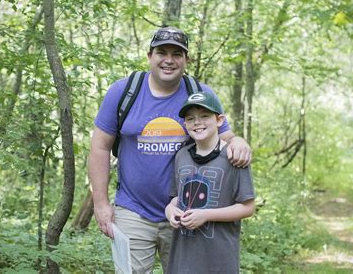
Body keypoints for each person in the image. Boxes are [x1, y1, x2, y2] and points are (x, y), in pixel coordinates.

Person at [88, 26, 252, 273]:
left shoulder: (200, 94)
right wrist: (100, 203)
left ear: (187, 60)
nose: (169, 60)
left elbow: (224, 137)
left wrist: (240, 141)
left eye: (177, 54)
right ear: (149, 56)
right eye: (161, 52)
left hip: (185, 216)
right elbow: (100, 147)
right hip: (133, 210)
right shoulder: (123, 92)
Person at [165, 91, 255, 273]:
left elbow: (248, 207)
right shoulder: (181, 156)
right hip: (183, 256)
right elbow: (177, 198)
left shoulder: (234, 156)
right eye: (190, 119)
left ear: (219, 120)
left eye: (205, 116)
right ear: (185, 124)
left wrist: (206, 215)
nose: (197, 122)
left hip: (218, 258)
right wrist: (169, 209)